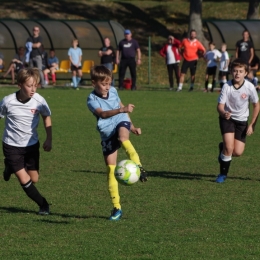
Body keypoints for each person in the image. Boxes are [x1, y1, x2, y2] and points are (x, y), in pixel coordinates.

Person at [87, 65, 148, 221]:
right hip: (107, 131)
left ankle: (139, 166)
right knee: (111, 170)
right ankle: (117, 208)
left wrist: (132, 126)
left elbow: (122, 108)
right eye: (104, 84)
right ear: (94, 83)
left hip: (121, 122)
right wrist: (121, 110)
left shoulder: (113, 91)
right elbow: (103, 114)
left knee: (123, 138)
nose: (107, 87)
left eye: (109, 83)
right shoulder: (91, 99)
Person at [0, 68, 52, 214]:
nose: (33, 89)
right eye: (29, 85)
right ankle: (43, 204)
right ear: (20, 85)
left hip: (31, 145)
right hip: (11, 146)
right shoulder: (8, 101)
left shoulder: (39, 101)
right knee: (24, 180)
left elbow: (46, 116)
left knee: (33, 179)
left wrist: (49, 138)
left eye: (35, 85)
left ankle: (9, 166)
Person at [216, 58, 259, 183]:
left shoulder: (250, 87)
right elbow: (219, 106)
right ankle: (222, 175)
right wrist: (224, 113)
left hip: (242, 122)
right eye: (235, 71)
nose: (237, 74)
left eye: (240, 71)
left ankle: (222, 148)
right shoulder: (226, 86)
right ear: (231, 71)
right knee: (229, 148)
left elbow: (257, 105)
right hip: (227, 120)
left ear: (246, 73)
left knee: (238, 152)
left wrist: (252, 125)